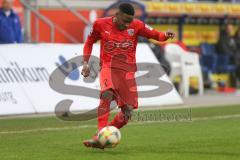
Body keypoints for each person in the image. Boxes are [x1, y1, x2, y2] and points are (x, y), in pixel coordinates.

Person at [81, 3, 174, 149]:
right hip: (108, 67)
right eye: (124, 20)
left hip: (127, 71)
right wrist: (85, 63)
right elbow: (89, 42)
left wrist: (165, 36)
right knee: (107, 95)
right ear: (117, 15)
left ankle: (100, 140)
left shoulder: (136, 25)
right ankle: (100, 133)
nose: (127, 24)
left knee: (127, 112)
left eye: (129, 21)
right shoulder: (100, 24)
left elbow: (155, 34)